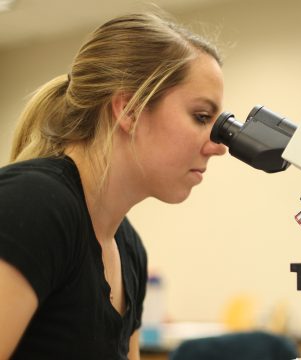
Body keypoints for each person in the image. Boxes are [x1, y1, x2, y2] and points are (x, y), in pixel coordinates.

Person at [0, 12, 226, 359]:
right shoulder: (34, 206)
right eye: (201, 117)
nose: (219, 145)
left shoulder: (128, 247)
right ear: (130, 109)